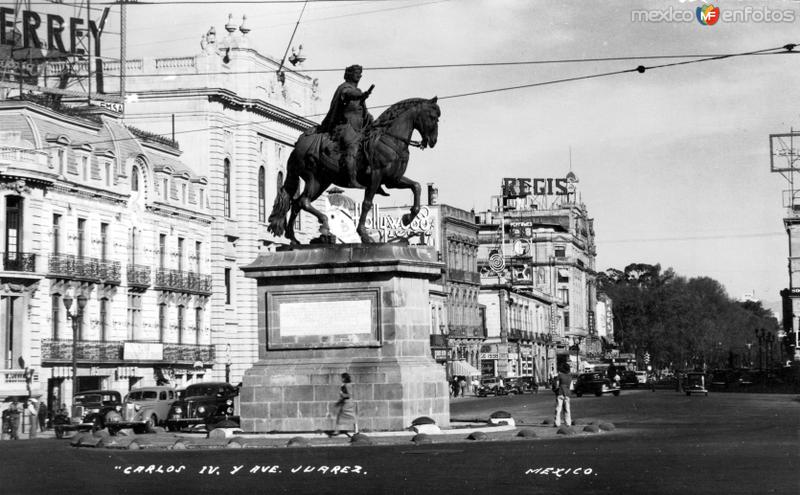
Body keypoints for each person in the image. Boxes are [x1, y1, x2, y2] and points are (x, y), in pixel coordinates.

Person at [318, 64, 375, 188]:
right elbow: (348, 94)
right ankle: (352, 179)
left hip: (359, 127)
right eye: (356, 73)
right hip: (344, 126)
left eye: (360, 73)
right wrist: (361, 96)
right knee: (352, 145)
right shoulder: (344, 88)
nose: (359, 75)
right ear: (349, 74)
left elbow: (363, 110)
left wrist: (370, 118)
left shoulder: (358, 92)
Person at [331, 372, 357, 437]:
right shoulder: (348, 384)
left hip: (347, 403)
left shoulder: (347, 385)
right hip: (348, 402)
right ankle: (356, 431)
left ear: (345, 378)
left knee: (340, 416)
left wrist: (342, 394)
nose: (341, 379)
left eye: (342, 377)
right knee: (352, 416)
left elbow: (349, 395)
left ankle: (336, 431)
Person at [554, 362, 573, 428]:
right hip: (567, 393)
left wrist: (555, 390)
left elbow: (556, 385)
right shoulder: (570, 376)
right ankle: (568, 423)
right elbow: (571, 387)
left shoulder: (560, 375)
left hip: (560, 392)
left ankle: (557, 423)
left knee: (558, 409)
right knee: (567, 409)